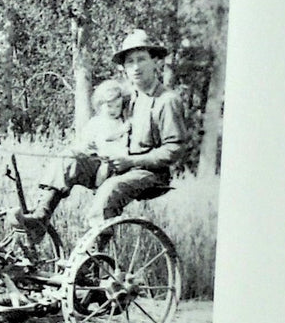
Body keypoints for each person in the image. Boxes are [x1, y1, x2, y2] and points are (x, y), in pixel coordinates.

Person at [15, 28, 187, 237]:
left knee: (109, 190)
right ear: (124, 68)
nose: (135, 67)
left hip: (149, 173)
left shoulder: (167, 101)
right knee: (68, 159)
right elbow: (104, 120)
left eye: (141, 59)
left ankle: (94, 254)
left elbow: (174, 149)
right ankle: (40, 218)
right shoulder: (124, 96)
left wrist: (131, 161)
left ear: (156, 62)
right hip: (114, 165)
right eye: (129, 62)